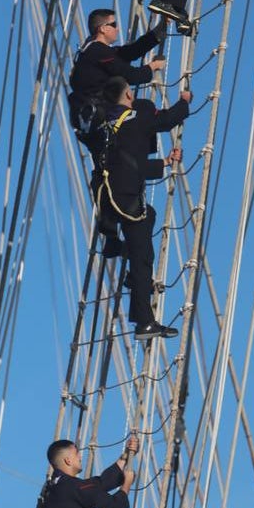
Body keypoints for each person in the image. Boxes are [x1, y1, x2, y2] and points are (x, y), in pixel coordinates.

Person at [92, 76, 190, 337]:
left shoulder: (103, 125)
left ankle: (116, 248)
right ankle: (144, 322)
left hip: (105, 197)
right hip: (127, 199)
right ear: (128, 96)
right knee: (142, 257)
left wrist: (164, 163)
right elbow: (167, 120)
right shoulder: (138, 117)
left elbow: (128, 161)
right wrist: (184, 102)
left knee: (149, 217)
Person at [68, 9, 167, 258]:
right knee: (142, 112)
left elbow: (126, 54)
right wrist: (152, 68)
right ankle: (114, 228)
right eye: (113, 24)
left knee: (105, 170)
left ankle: (111, 236)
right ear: (102, 28)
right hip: (98, 123)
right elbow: (129, 74)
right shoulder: (96, 52)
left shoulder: (92, 50)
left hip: (91, 124)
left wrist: (154, 36)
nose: (117, 28)